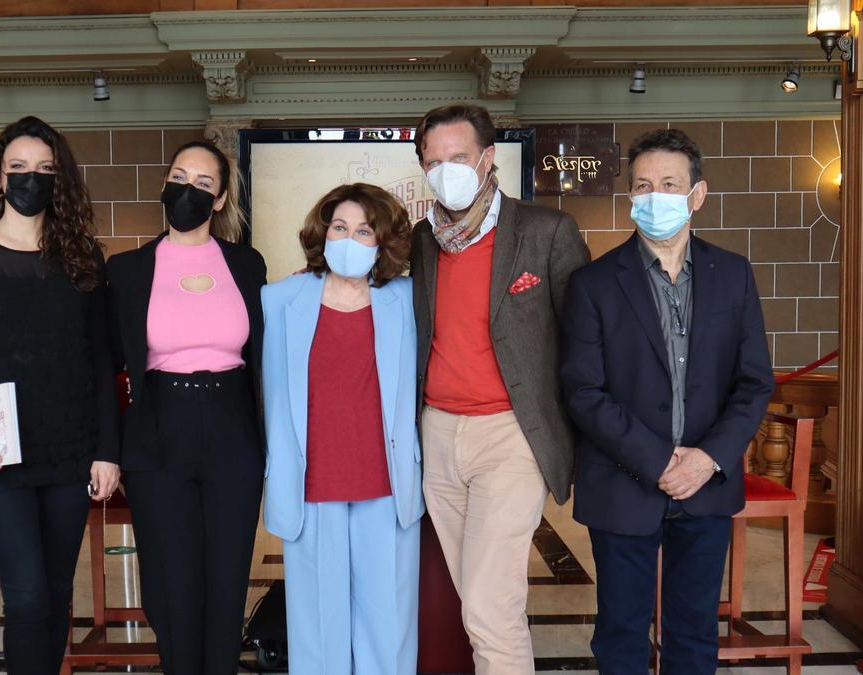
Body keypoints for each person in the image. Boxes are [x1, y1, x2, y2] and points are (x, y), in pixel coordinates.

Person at [560, 128, 774, 673]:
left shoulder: (734, 275)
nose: (655, 195)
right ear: (631, 196)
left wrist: (706, 459)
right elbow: (583, 390)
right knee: (621, 636)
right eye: (643, 185)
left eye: (669, 184)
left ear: (696, 194)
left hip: (707, 486)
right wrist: (658, 462)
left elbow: (754, 383)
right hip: (623, 486)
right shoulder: (593, 284)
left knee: (695, 633)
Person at [0, 116, 120, 675]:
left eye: (44, 170)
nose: (29, 180)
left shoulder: (84, 258)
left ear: (60, 181)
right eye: (18, 169)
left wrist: (107, 450)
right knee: (28, 596)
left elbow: (101, 361)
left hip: (69, 449)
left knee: (57, 596)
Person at [409, 103, 590, 674]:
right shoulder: (420, 241)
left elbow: (582, 339)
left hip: (511, 434)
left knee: (490, 604)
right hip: (437, 435)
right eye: (433, 161)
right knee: (477, 598)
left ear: (488, 158)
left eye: (458, 157)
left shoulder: (545, 231)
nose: (446, 170)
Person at [106, 140, 266, 675]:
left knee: (226, 578)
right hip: (159, 429)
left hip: (232, 428)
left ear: (219, 199)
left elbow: (264, 356)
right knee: (171, 582)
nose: (187, 190)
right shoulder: (127, 270)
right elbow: (106, 367)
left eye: (203, 183)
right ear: (164, 183)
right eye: (180, 176)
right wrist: (107, 449)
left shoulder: (246, 264)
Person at [262, 183, 425, 674]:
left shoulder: (409, 300)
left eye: (363, 231)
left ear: (383, 242)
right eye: (339, 227)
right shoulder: (279, 299)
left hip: (386, 483)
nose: (349, 240)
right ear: (322, 232)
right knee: (317, 632)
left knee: (388, 630)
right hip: (312, 487)